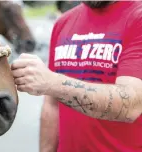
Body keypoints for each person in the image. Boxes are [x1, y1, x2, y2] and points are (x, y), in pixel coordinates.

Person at [11, 1, 142, 152]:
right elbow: (52, 106)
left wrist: (52, 82)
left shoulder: (137, 17)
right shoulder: (63, 23)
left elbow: (131, 106)